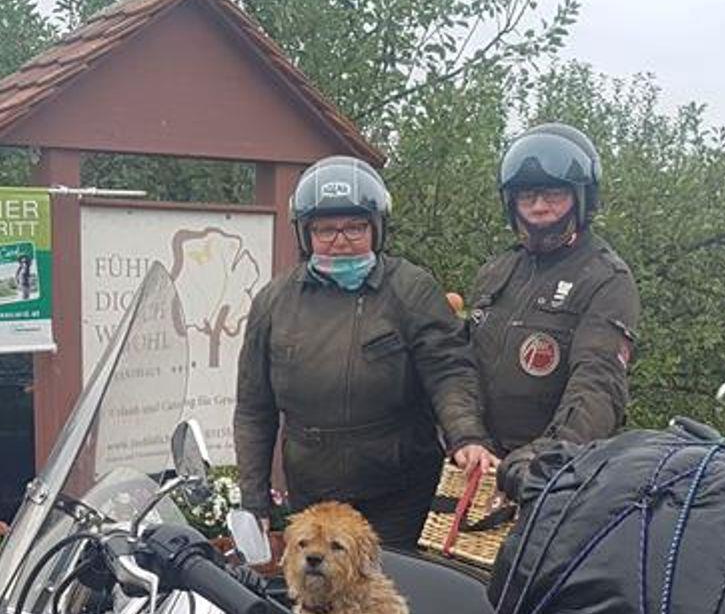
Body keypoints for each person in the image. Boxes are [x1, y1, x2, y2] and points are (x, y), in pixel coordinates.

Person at [236, 156, 497, 546]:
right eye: (325, 229)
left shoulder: (411, 289)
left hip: (400, 493)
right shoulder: (274, 302)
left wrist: (466, 435)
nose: (340, 240)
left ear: (377, 228)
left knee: (396, 582)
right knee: (320, 584)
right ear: (305, 234)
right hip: (313, 495)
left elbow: (448, 370)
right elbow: (254, 409)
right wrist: (253, 501)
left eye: (355, 227)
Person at [464, 123, 641, 492]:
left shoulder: (606, 278)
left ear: (581, 197)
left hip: (554, 473)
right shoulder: (496, 272)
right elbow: (461, 366)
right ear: (511, 201)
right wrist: (465, 435)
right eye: (527, 195)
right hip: (479, 465)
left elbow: (598, 385)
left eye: (554, 194)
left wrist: (545, 457)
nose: (539, 207)